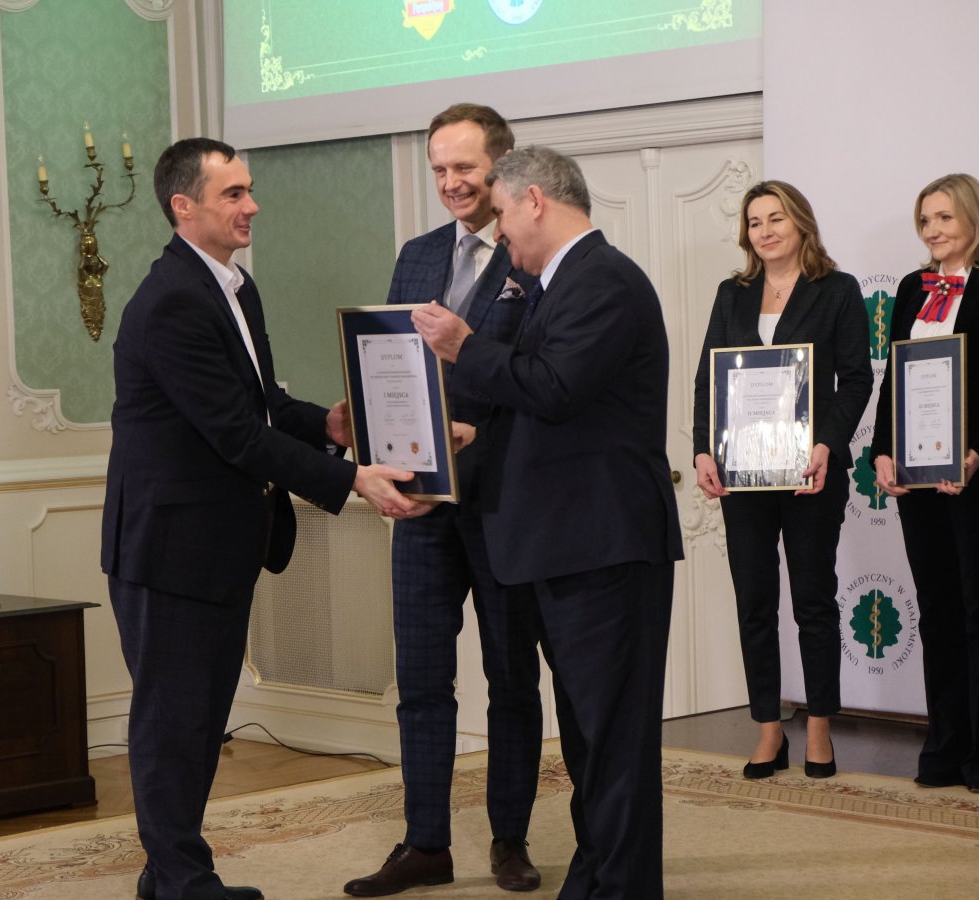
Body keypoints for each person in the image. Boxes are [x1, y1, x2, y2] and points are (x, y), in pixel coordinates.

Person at [100, 137, 418, 900]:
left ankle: (167, 875)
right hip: (169, 550)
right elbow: (235, 435)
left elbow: (261, 404)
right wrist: (353, 479)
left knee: (198, 719)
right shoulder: (173, 300)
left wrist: (328, 427)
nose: (252, 206)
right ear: (184, 206)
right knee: (174, 723)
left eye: (249, 190)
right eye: (234, 193)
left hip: (214, 547)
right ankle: (183, 880)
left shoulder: (234, 287)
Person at [413, 147, 683, 900]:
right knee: (591, 737)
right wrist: (474, 438)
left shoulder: (604, 279)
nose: (499, 233)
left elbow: (557, 387)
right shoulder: (558, 282)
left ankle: (622, 887)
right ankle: (595, 877)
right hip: (571, 544)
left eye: (502, 213)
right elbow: (549, 407)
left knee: (614, 739)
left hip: (604, 545)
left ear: (535, 200)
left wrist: (465, 347)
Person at [343, 103, 543, 898]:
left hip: (504, 504)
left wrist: (473, 440)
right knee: (423, 682)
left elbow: (540, 386)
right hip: (422, 506)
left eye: (465, 167)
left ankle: (510, 840)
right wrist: (379, 449)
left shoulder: (533, 257)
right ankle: (425, 844)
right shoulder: (418, 254)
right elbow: (395, 370)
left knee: (511, 680)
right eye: (439, 169)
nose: (451, 183)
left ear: (502, 167)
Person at [692, 181, 872, 780]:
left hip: (810, 471)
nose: (764, 231)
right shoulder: (733, 293)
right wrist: (702, 449)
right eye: (754, 222)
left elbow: (857, 378)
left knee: (814, 601)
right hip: (742, 473)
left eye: (776, 219)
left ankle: (819, 726)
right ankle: (769, 728)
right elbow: (708, 377)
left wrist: (826, 445)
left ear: (801, 224)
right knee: (754, 602)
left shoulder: (837, 290)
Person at [872, 173, 979, 793]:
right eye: (925, 220)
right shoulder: (913, 287)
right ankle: (946, 745)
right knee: (937, 612)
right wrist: (882, 450)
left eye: (944, 217)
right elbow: (895, 378)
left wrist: (978, 454)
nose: (932, 230)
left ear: (974, 219)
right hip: (918, 482)